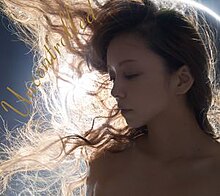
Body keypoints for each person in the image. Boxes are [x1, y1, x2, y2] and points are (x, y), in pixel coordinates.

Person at [0, 0, 220, 195]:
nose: (116, 91)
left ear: (182, 80)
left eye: (131, 74)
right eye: (113, 77)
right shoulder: (107, 166)